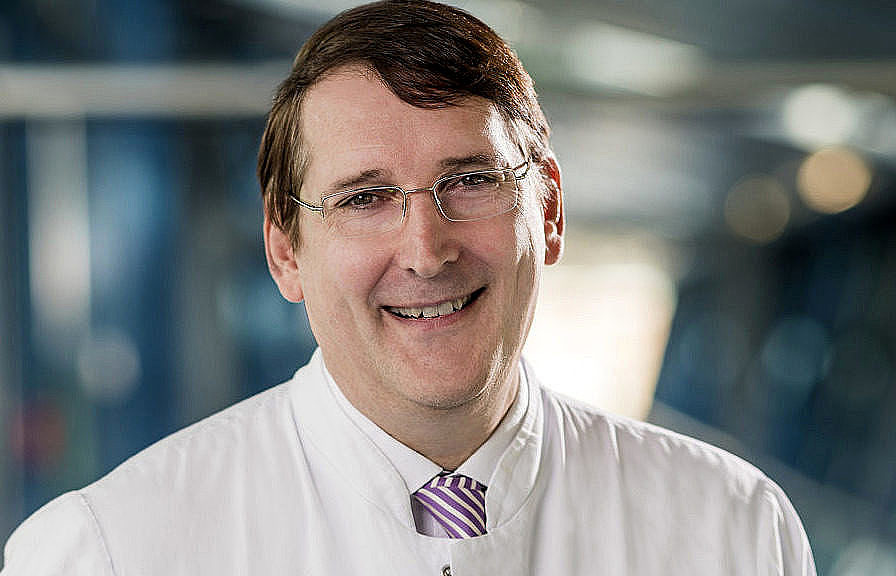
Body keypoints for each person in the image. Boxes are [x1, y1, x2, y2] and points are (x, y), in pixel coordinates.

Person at [2, 1, 815, 574]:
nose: (426, 251)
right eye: (364, 199)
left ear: (550, 212)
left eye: (471, 181)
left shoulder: (733, 531)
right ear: (285, 252)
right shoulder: (110, 552)